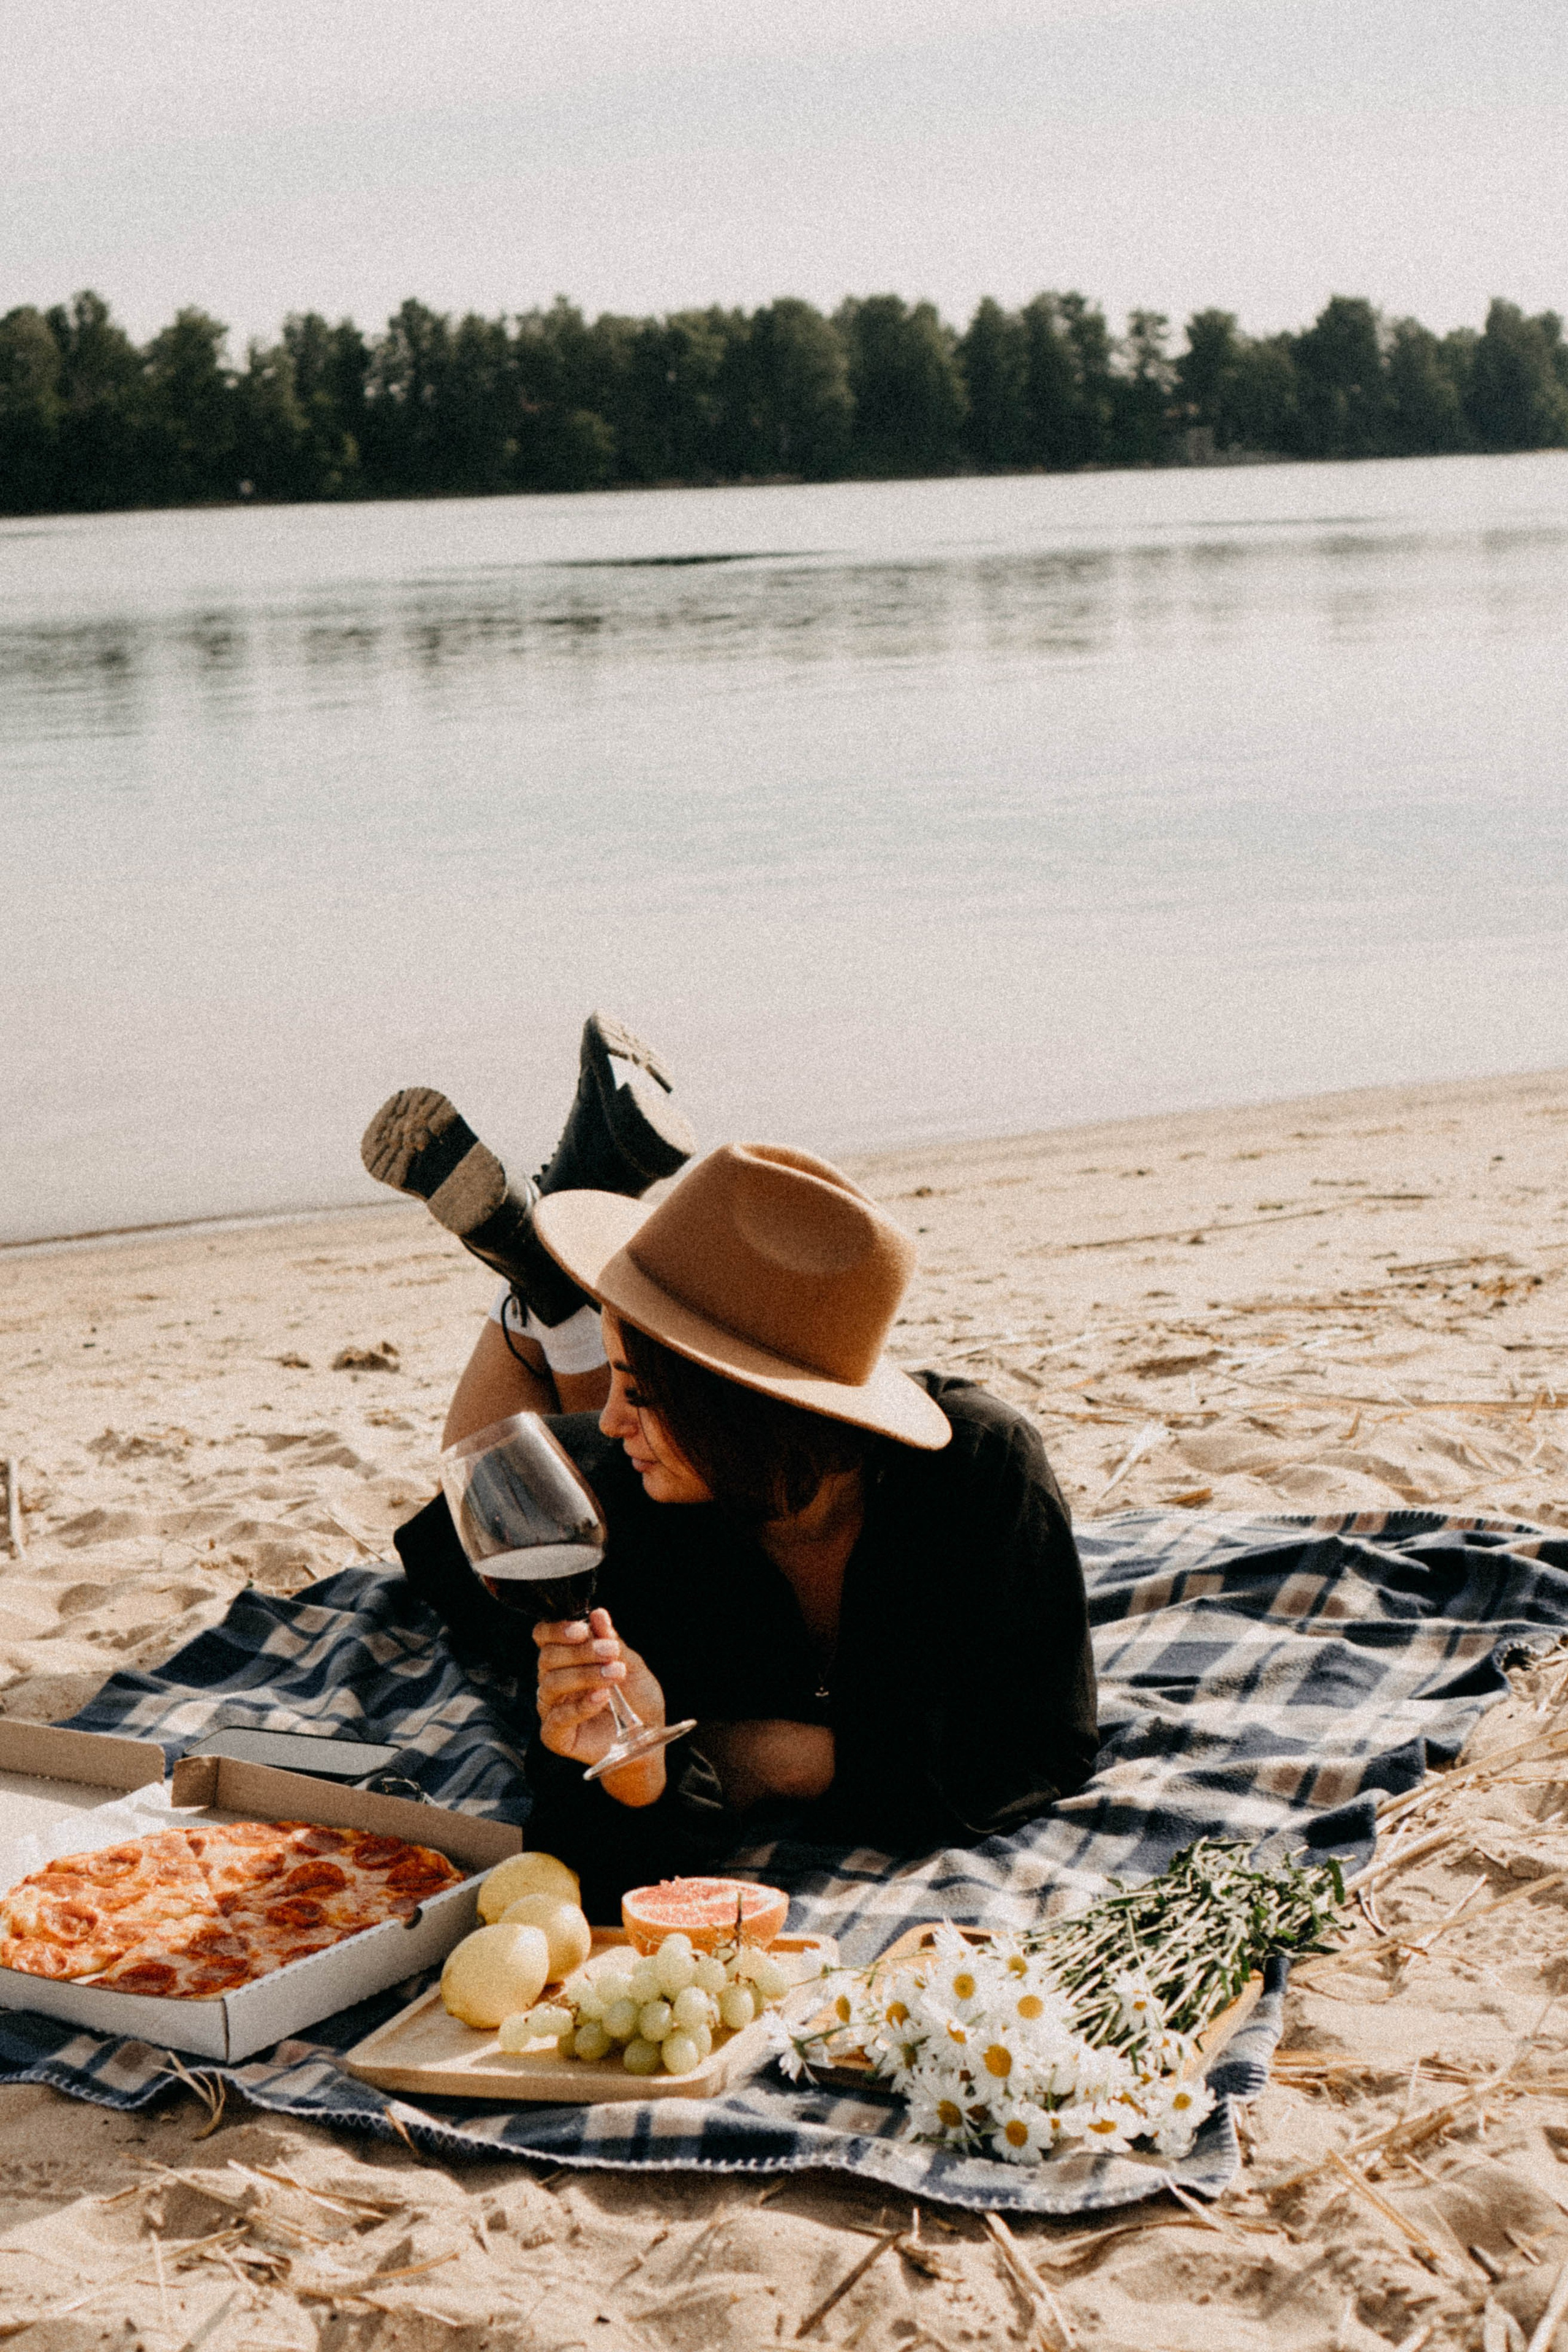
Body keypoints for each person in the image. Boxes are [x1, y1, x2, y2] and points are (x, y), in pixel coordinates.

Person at [372, 1030, 1098, 1915]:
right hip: (601, 1489)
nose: (610, 1417)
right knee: (487, 1487)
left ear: (745, 1409)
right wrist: (636, 1768)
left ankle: (553, 1296)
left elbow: (1042, 1753)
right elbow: (584, 1858)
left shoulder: (982, 1476)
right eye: (619, 1382)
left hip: (689, 1468)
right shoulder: (608, 1517)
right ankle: (540, 1304)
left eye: (638, 1393)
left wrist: (773, 1755)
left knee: (574, 1419)